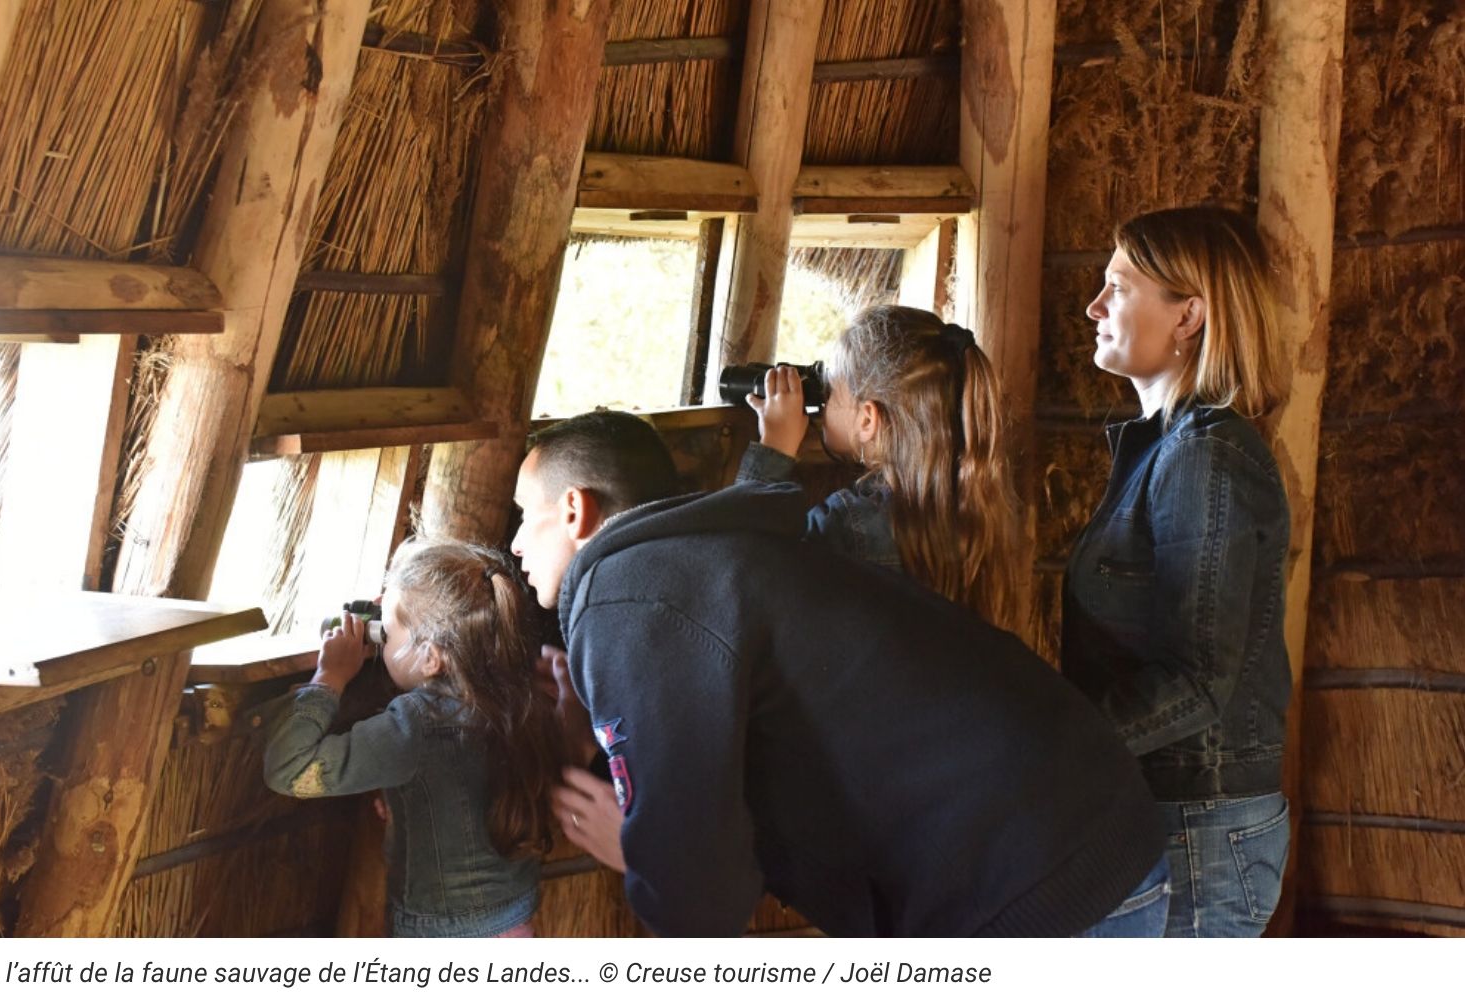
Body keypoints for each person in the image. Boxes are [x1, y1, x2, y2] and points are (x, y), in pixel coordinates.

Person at [513, 409, 1169, 937]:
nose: (513, 544)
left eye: (522, 516)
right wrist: (595, 746)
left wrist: (643, 859)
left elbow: (701, 901)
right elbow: (713, 777)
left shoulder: (624, 594)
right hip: (1079, 827)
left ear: (576, 510)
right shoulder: (701, 562)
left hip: (1033, 879)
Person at [1063, 205, 1293, 937]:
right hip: (1175, 815)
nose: (1094, 306)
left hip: (1199, 827)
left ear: (1190, 315)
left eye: (1119, 287)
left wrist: (1050, 745)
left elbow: (1196, 679)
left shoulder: (1206, 453)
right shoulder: (1166, 448)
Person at [264, 539, 562, 937]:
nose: (382, 641)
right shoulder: (522, 698)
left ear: (430, 658)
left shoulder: (414, 727)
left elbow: (289, 767)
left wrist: (329, 677)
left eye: (385, 634)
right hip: (514, 923)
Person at [738, 305, 1026, 631]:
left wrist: (774, 448)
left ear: (867, 419)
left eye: (830, 391)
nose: (823, 400)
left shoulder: (851, 524)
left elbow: (744, 572)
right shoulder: (976, 512)